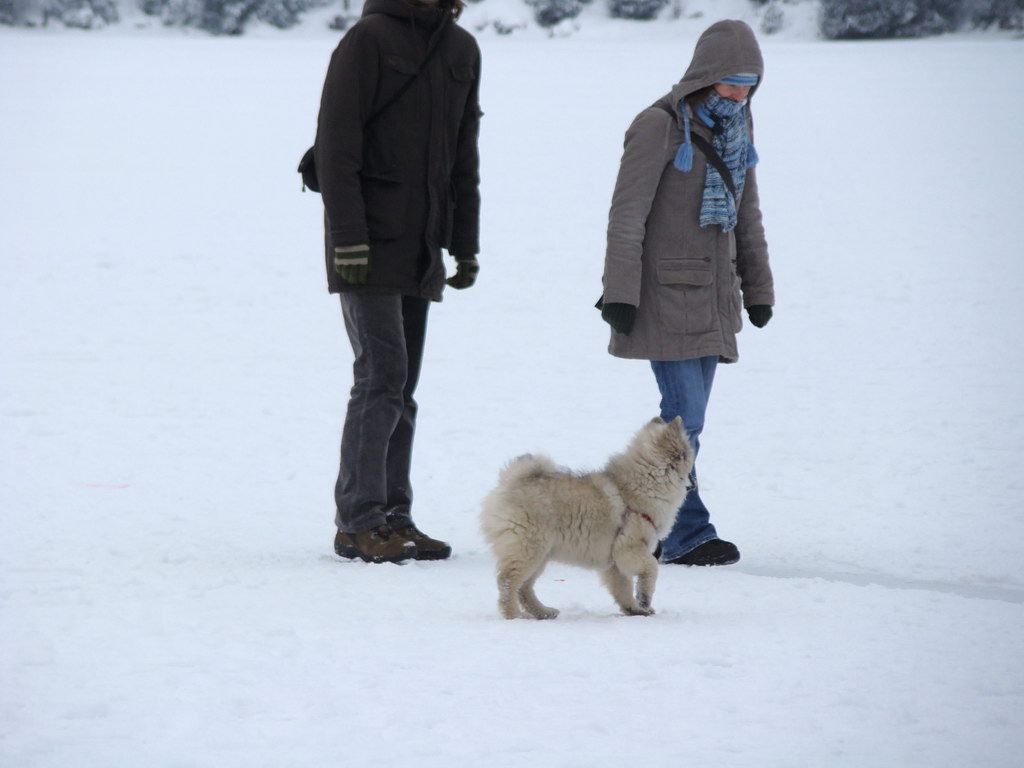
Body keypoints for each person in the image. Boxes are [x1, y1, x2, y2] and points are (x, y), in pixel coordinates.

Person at [599, 19, 775, 567]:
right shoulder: (657, 127)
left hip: (714, 297)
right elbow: (626, 217)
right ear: (705, 75)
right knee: (684, 419)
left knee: (685, 421)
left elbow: (748, 216)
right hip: (663, 295)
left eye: (749, 83)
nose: (739, 93)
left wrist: (759, 288)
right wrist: (619, 293)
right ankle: (683, 532)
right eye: (730, 82)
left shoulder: (737, 130)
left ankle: (635, 506)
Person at [314, 0, 482, 563]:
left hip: (420, 243)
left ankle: (393, 516)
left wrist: (464, 242)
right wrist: (348, 237)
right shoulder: (368, 39)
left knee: (401, 385)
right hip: (365, 239)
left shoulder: (462, 49)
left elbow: (464, 158)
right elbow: (336, 147)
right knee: (381, 374)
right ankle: (357, 522)